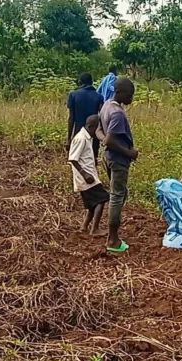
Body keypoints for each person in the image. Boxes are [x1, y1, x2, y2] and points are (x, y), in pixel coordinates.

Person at [97, 78, 138, 252]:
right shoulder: (117, 113)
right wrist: (129, 153)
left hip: (108, 158)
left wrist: (104, 140)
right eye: (129, 95)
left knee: (121, 194)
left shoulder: (106, 105)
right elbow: (112, 141)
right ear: (119, 92)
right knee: (117, 196)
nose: (131, 98)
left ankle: (111, 229)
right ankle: (112, 239)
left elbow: (99, 131)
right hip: (118, 160)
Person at [68, 114, 109, 236]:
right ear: (91, 127)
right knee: (102, 198)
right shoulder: (81, 138)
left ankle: (84, 227)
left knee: (93, 204)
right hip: (85, 178)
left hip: (89, 176)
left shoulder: (87, 137)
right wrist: (84, 174)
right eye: (98, 129)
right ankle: (95, 229)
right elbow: (73, 159)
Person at [67, 72, 104, 155]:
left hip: (78, 132)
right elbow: (102, 117)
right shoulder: (99, 96)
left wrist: (69, 138)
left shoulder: (73, 95)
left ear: (80, 82)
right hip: (93, 133)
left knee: (77, 157)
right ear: (92, 82)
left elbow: (71, 118)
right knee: (93, 158)